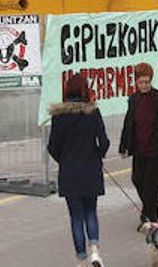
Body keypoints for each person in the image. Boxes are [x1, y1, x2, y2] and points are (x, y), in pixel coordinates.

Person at [48, 74, 110, 267]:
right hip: (91, 170)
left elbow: (52, 146)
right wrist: (98, 155)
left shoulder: (59, 116)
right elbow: (104, 142)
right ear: (85, 90)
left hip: (69, 173)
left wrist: (64, 160)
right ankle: (95, 252)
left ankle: (82, 260)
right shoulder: (93, 113)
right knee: (91, 211)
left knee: (76, 217)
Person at [119, 62, 158, 226]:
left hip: (157, 149)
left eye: (147, 82)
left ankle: (150, 217)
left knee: (150, 184)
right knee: (137, 179)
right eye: (141, 82)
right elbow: (128, 122)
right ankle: (154, 202)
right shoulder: (133, 99)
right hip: (139, 147)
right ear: (136, 82)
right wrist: (124, 146)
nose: (144, 85)